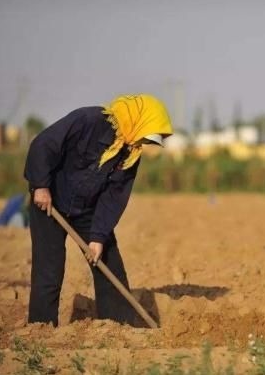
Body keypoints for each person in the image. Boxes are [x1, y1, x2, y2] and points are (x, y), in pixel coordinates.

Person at [24, 94, 173, 326]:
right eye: (146, 137)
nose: (143, 144)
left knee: (109, 263)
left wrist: (98, 236)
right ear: (139, 121)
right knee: (49, 268)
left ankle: (118, 325)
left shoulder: (130, 154)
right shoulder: (88, 120)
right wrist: (40, 186)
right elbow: (44, 145)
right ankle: (40, 327)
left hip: (87, 210)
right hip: (50, 202)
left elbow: (114, 196)